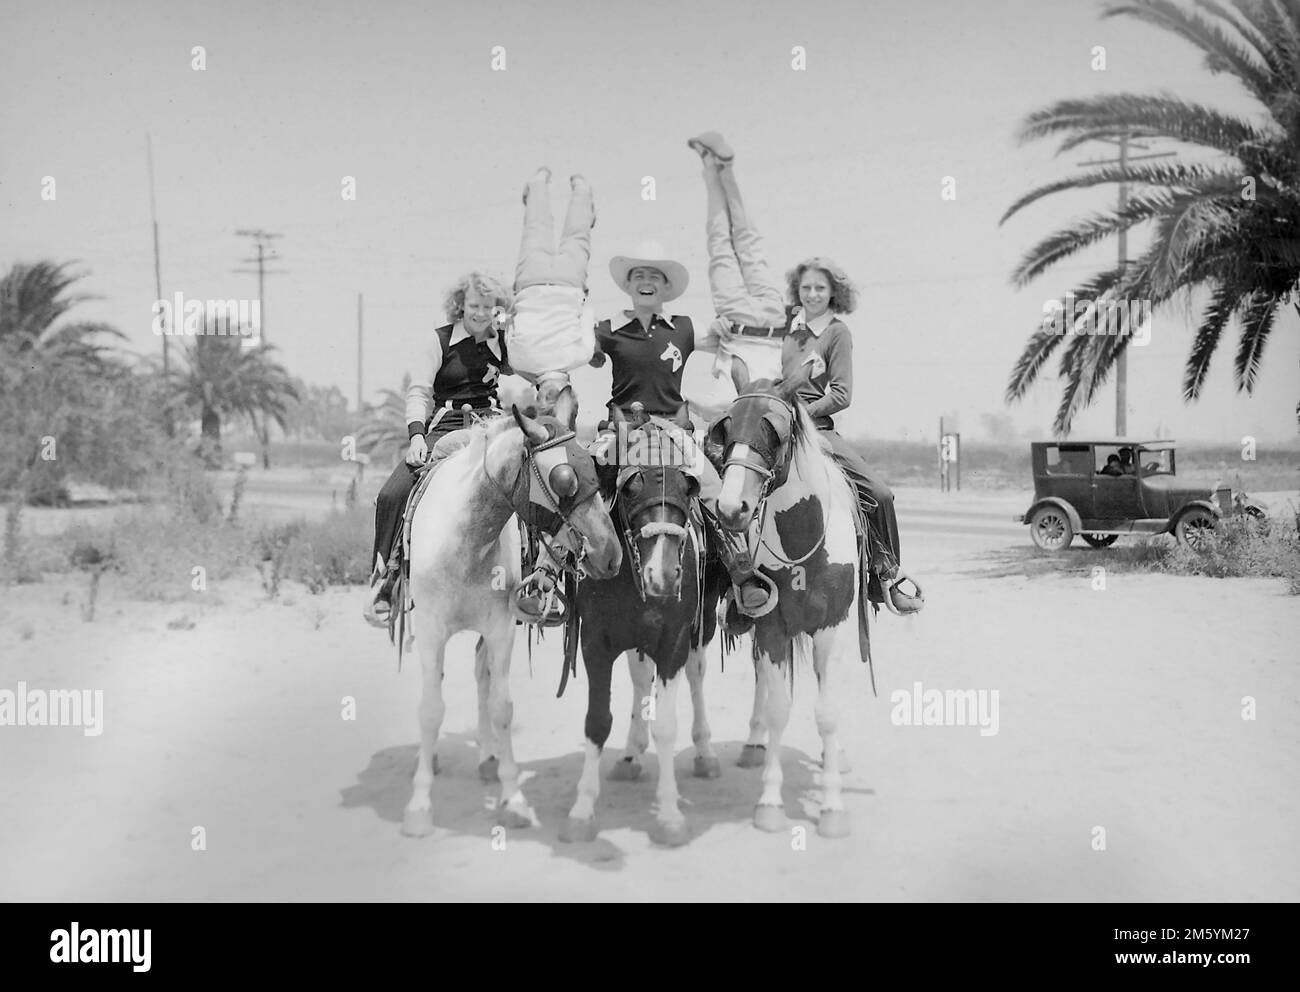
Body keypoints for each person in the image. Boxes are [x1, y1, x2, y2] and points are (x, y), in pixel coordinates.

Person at [688, 131, 923, 616]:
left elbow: (841, 394)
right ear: (798, 290)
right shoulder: (787, 325)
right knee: (732, 481)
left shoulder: (837, 334)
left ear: (834, 293)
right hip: (769, 407)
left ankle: (887, 573)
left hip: (817, 430)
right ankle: (735, 581)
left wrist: (800, 415)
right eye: (807, 286)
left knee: (876, 492)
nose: (813, 293)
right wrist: (713, 338)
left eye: (821, 288)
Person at [589, 246, 778, 622]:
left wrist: (728, 330)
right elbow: (589, 353)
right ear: (628, 285)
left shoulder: (685, 327)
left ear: (666, 288)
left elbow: (724, 338)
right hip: (622, 429)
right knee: (588, 485)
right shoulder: (608, 329)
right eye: (639, 276)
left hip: (674, 431)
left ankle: (740, 577)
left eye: (655, 277)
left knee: (712, 490)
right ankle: (556, 572)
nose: (646, 283)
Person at [363, 272, 514, 627]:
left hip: (492, 427)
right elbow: (419, 392)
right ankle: (387, 580)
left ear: (498, 309)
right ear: (461, 304)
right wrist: (417, 436)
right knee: (391, 495)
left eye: (488, 306)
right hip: (445, 427)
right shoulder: (440, 340)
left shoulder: (506, 344)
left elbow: (531, 367)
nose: (480, 313)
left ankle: (540, 584)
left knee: (534, 483)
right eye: (474, 305)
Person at [506, 167, 597, 412]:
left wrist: (581, 297)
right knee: (536, 229)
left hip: (569, 284)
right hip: (530, 282)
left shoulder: (581, 356)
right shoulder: (517, 361)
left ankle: (582, 191)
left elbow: (587, 316)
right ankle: (538, 184)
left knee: (577, 238)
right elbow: (510, 325)